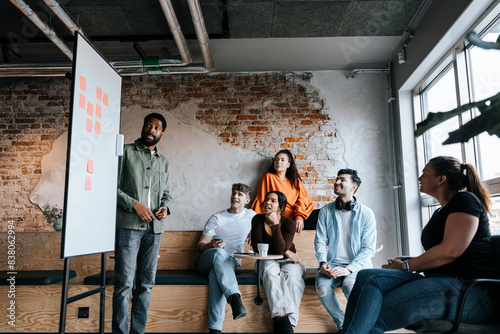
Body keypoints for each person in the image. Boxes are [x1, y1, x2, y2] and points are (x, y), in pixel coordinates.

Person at [339, 156, 495, 334]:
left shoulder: (466, 200)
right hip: (442, 282)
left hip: (469, 293)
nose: (419, 178)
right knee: (368, 277)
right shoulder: (441, 210)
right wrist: (410, 261)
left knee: (370, 316)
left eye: (424, 174)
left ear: (441, 179)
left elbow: (451, 251)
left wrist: (406, 266)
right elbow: (447, 253)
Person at [113, 112, 172, 334]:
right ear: (142, 128)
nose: (151, 129)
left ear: (161, 134)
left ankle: (138, 332)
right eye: (148, 125)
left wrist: (166, 207)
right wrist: (134, 204)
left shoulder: (164, 163)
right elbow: (111, 186)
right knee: (124, 285)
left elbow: (167, 194)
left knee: (146, 285)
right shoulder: (125, 152)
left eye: (156, 127)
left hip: (154, 229)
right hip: (128, 226)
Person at [314, 169, 376, 332]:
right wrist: (322, 263)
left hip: (357, 265)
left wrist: (348, 269)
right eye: (336, 179)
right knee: (322, 288)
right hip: (333, 263)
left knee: (349, 285)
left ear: (353, 187)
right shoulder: (325, 211)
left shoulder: (367, 213)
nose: (337, 182)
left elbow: (368, 249)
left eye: (342, 179)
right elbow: (320, 241)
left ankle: (365, 324)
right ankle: (343, 324)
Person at [197, 183, 257, 334]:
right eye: (234, 193)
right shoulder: (217, 217)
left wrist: (257, 231)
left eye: (240, 194)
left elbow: (268, 230)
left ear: (247, 200)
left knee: (216, 276)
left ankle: (215, 329)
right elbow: (199, 246)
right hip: (208, 258)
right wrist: (211, 245)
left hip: (229, 263)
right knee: (219, 254)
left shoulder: (252, 217)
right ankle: (234, 298)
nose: (235, 196)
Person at [251, 191, 306, 334]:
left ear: (281, 207)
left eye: (273, 201)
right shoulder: (257, 219)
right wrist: (286, 250)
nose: (267, 203)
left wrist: (276, 224)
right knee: (270, 272)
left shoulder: (289, 223)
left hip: (288, 260)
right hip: (266, 259)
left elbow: (281, 248)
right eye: (266, 200)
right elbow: (257, 247)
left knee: (292, 277)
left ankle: (287, 325)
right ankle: (281, 318)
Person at [251, 149, 314, 233]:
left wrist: (299, 217)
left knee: (320, 214)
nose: (278, 162)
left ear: (288, 164)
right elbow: (261, 199)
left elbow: (304, 200)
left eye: (282, 160)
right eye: (276, 160)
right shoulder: (269, 177)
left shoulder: (295, 181)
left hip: (293, 217)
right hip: (277, 217)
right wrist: (256, 224)